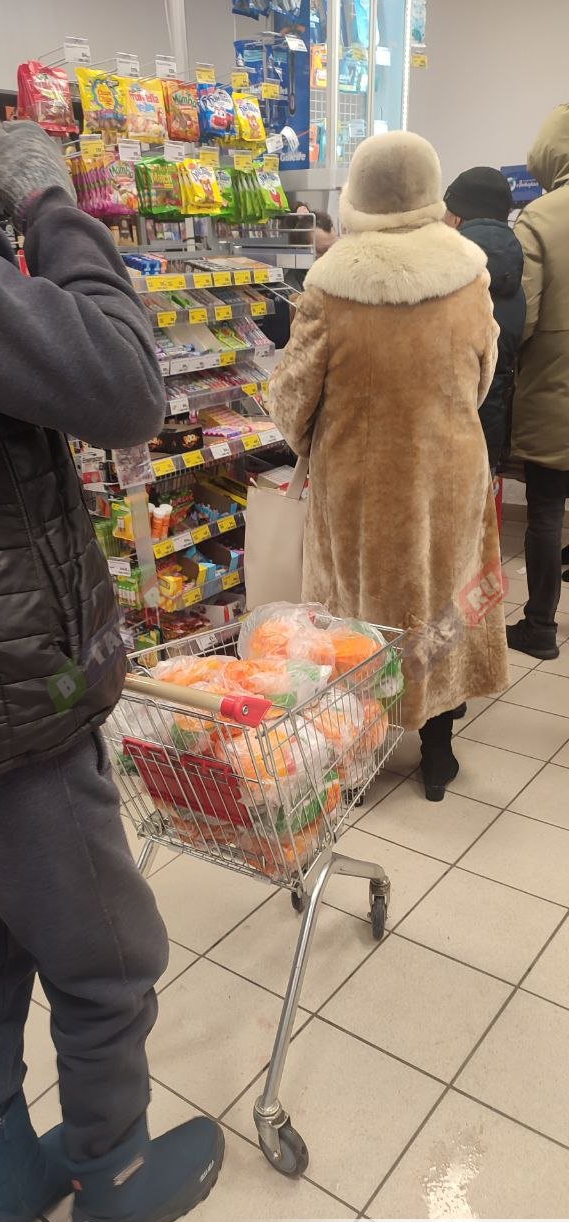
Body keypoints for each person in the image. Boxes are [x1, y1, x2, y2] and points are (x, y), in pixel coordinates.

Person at [0, 118, 223, 1222]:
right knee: (107, 951)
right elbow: (127, 384)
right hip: (16, 706)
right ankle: (117, 1177)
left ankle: (7, 1170)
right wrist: (50, 203)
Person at [269, 132, 509, 801]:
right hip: (449, 471)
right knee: (443, 597)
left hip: (358, 483)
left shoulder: (331, 285)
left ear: (359, 193)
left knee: (356, 612)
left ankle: (356, 750)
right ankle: (438, 751)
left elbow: (292, 399)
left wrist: (315, 439)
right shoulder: (469, 274)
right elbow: (482, 375)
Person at [506, 104, 569, 661]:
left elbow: (522, 316)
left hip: (556, 389)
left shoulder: (540, 217)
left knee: (547, 512)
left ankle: (540, 627)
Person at [444, 166, 526, 471]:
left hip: (444, 430)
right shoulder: (516, 271)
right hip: (491, 428)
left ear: (456, 218)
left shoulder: (444, 274)